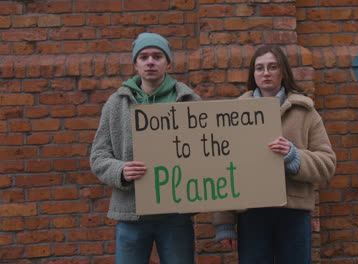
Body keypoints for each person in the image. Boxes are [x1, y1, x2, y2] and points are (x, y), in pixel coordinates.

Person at [212, 45, 336, 264]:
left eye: (272, 67)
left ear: (283, 72)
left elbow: (327, 163)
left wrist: (293, 156)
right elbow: (225, 167)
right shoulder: (234, 114)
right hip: (252, 214)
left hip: (294, 213)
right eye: (259, 68)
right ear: (253, 74)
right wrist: (224, 222)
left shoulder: (305, 112)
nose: (266, 73)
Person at [90, 33, 200, 264]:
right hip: (132, 213)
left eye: (157, 56)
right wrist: (120, 171)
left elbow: (206, 152)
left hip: (175, 214)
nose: (150, 61)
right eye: (144, 56)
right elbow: (98, 156)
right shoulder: (116, 103)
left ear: (167, 63)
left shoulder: (189, 101)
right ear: (136, 64)